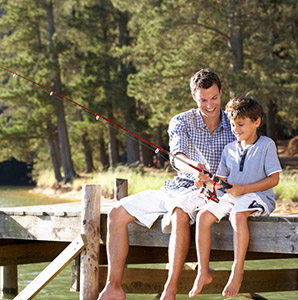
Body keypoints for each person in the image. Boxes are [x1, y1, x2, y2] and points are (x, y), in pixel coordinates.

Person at [97, 69, 236, 300]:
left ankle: (169, 290)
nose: (210, 105)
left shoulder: (233, 125)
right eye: (203, 99)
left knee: (178, 213)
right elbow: (176, 155)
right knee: (115, 213)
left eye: (214, 98)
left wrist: (214, 180)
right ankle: (114, 287)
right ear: (194, 96)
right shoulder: (181, 121)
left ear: (221, 93)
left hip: (207, 194)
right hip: (176, 186)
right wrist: (194, 168)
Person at [188, 96, 282, 298]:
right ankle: (203, 271)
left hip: (258, 196)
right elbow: (220, 181)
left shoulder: (266, 145)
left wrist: (244, 189)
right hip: (233, 197)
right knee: (204, 216)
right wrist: (205, 182)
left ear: (257, 122)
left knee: (237, 215)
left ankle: (237, 270)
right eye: (232, 124)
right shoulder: (229, 149)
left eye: (240, 124)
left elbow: (274, 179)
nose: (235, 129)